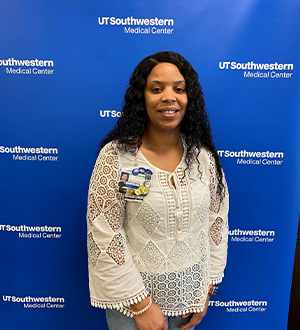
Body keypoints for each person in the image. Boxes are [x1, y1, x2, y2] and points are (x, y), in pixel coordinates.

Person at [86, 51, 229, 330]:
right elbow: (105, 233)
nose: (169, 97)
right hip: (133, 307)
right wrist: (141, 305)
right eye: (156, 89)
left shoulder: (202, 158)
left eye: (179, 89)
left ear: (190, 98)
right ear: (142, 98)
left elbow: (216, 223)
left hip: (190, 301)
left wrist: (206, 288)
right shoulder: (120, 157)